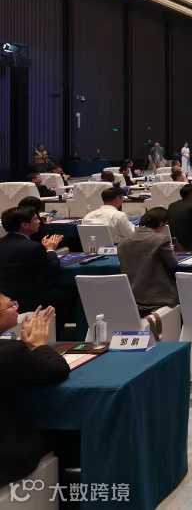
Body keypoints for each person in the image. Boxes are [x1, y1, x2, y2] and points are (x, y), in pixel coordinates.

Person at [0, 295, 69, 488]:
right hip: (8, 457)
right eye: (11, 306)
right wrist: (38, 346)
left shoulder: (11, 351)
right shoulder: (10, 352)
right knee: (65, 435)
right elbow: (57, 370)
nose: (17, 308)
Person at [0, 207, 69, 337]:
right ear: (24, 225)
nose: (39, 222)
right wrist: (50, 250)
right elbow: (52, 269)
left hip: (4, 301)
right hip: (30, 301)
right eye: (36, 219)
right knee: (67, 292)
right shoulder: (32, 247)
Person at [117, 207, 178, 315]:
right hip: (159, 297)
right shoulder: (161, 239)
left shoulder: (122, 242)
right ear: (162, 223)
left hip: (132, 296)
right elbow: (173, 265)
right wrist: (171, 252)